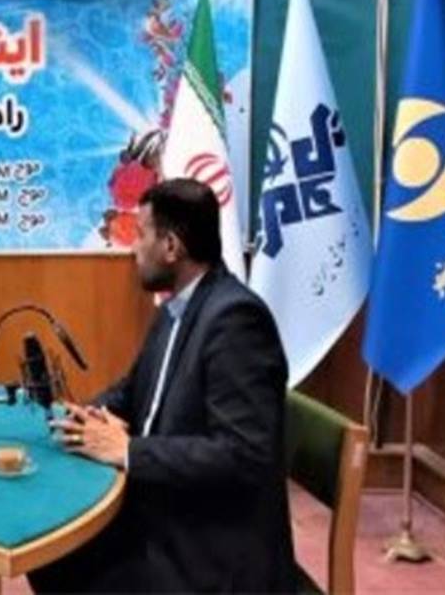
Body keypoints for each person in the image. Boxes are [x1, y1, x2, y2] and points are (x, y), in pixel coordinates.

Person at [31, 178, 296, 593]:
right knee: (50, 551)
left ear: (171, 246)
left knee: (60, 562)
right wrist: (82, 419)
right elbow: (133, 390)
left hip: (212, 548)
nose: (133, 249)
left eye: (141, 235)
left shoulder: (235, 320)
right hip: (167, 510)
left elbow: (243, 454)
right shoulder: (179, 307)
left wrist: (128, 450)